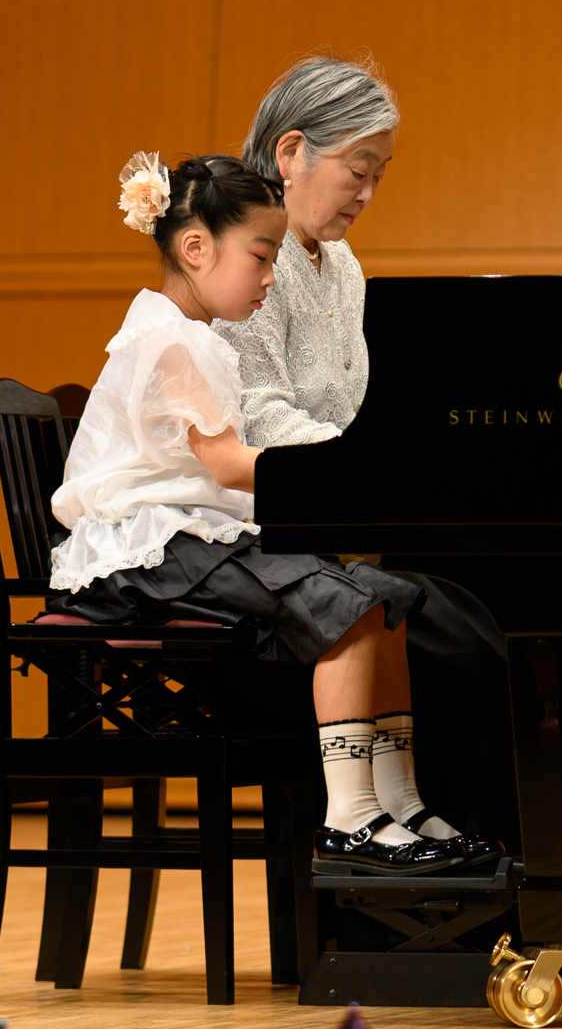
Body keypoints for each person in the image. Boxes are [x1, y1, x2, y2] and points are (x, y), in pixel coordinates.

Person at [43, 150, 480, 877]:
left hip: (188, 535)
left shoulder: (193, 337)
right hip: (145, 554)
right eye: (261, 254)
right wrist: (339, 470)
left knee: (386, 601)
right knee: (342, 604)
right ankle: (350, 816)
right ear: (195, 247)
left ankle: (400, 799)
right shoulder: (169, 342)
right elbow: (225, 463)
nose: (272, 275)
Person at [216, 56, 504, 863]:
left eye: (381, 173)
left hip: (330, 512)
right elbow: (259, 413)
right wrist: (365, 462)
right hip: (262, 539)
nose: (368, 192)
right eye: (357, 169)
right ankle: (402, 870)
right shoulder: (247, 255)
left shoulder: (341, 266)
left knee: (482, 610)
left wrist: (389, 457)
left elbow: (361, 402)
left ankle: (469, 855)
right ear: (292, 151)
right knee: (449, 627)